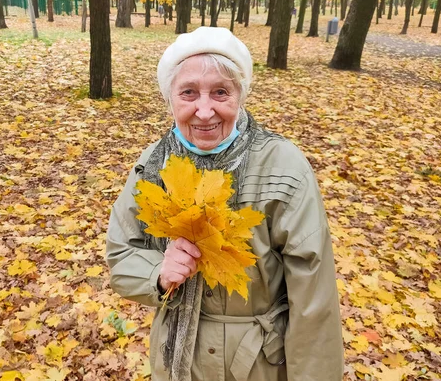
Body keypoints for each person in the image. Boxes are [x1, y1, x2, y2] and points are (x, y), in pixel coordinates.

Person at [106, 26, 344, 381]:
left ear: (240, 95)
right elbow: (122, 252)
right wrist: (157, 274)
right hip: (175, 361)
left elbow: (314, 300)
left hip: (257, 364)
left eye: (220, 92)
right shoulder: (154, 165)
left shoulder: (282, 166)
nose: (204, 112)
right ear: (169, 98)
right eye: (188, 93)